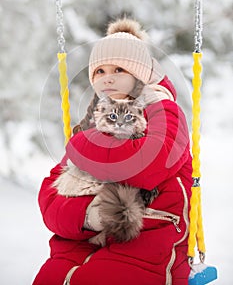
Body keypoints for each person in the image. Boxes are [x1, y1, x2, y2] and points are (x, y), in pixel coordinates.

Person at [33, 18, 193, 285]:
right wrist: (87, 217)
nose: (108, 78)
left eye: (119, 69)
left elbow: (148, 166)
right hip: (79, 245)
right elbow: (51, 198)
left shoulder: (164, 111)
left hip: (145, 246)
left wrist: (81, 144)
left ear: (139, 75)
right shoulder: (93, 122)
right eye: (99, 71)